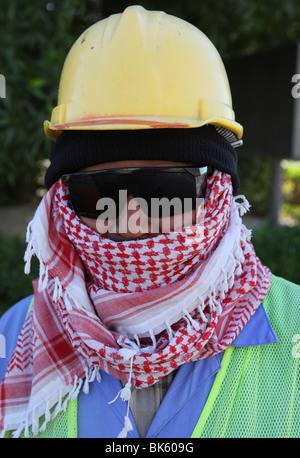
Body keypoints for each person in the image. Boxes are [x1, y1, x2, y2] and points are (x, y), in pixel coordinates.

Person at [0, 5, 299, 439]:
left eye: (166, 188)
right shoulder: (11, 343)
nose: (133, 224)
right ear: (63, 198)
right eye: (98, 190)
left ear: (217, 192)